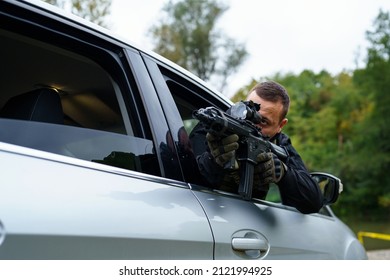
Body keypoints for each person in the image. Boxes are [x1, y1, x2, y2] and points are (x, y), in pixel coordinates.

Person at [191, 81, 324, 214]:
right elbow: (187, 180)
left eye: (263, 121)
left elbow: (313, 202)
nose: (251, 122)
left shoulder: (279, 143)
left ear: (280, 126)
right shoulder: (215, 127)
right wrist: (214, 160)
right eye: (248, 110)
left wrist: (283, 173)